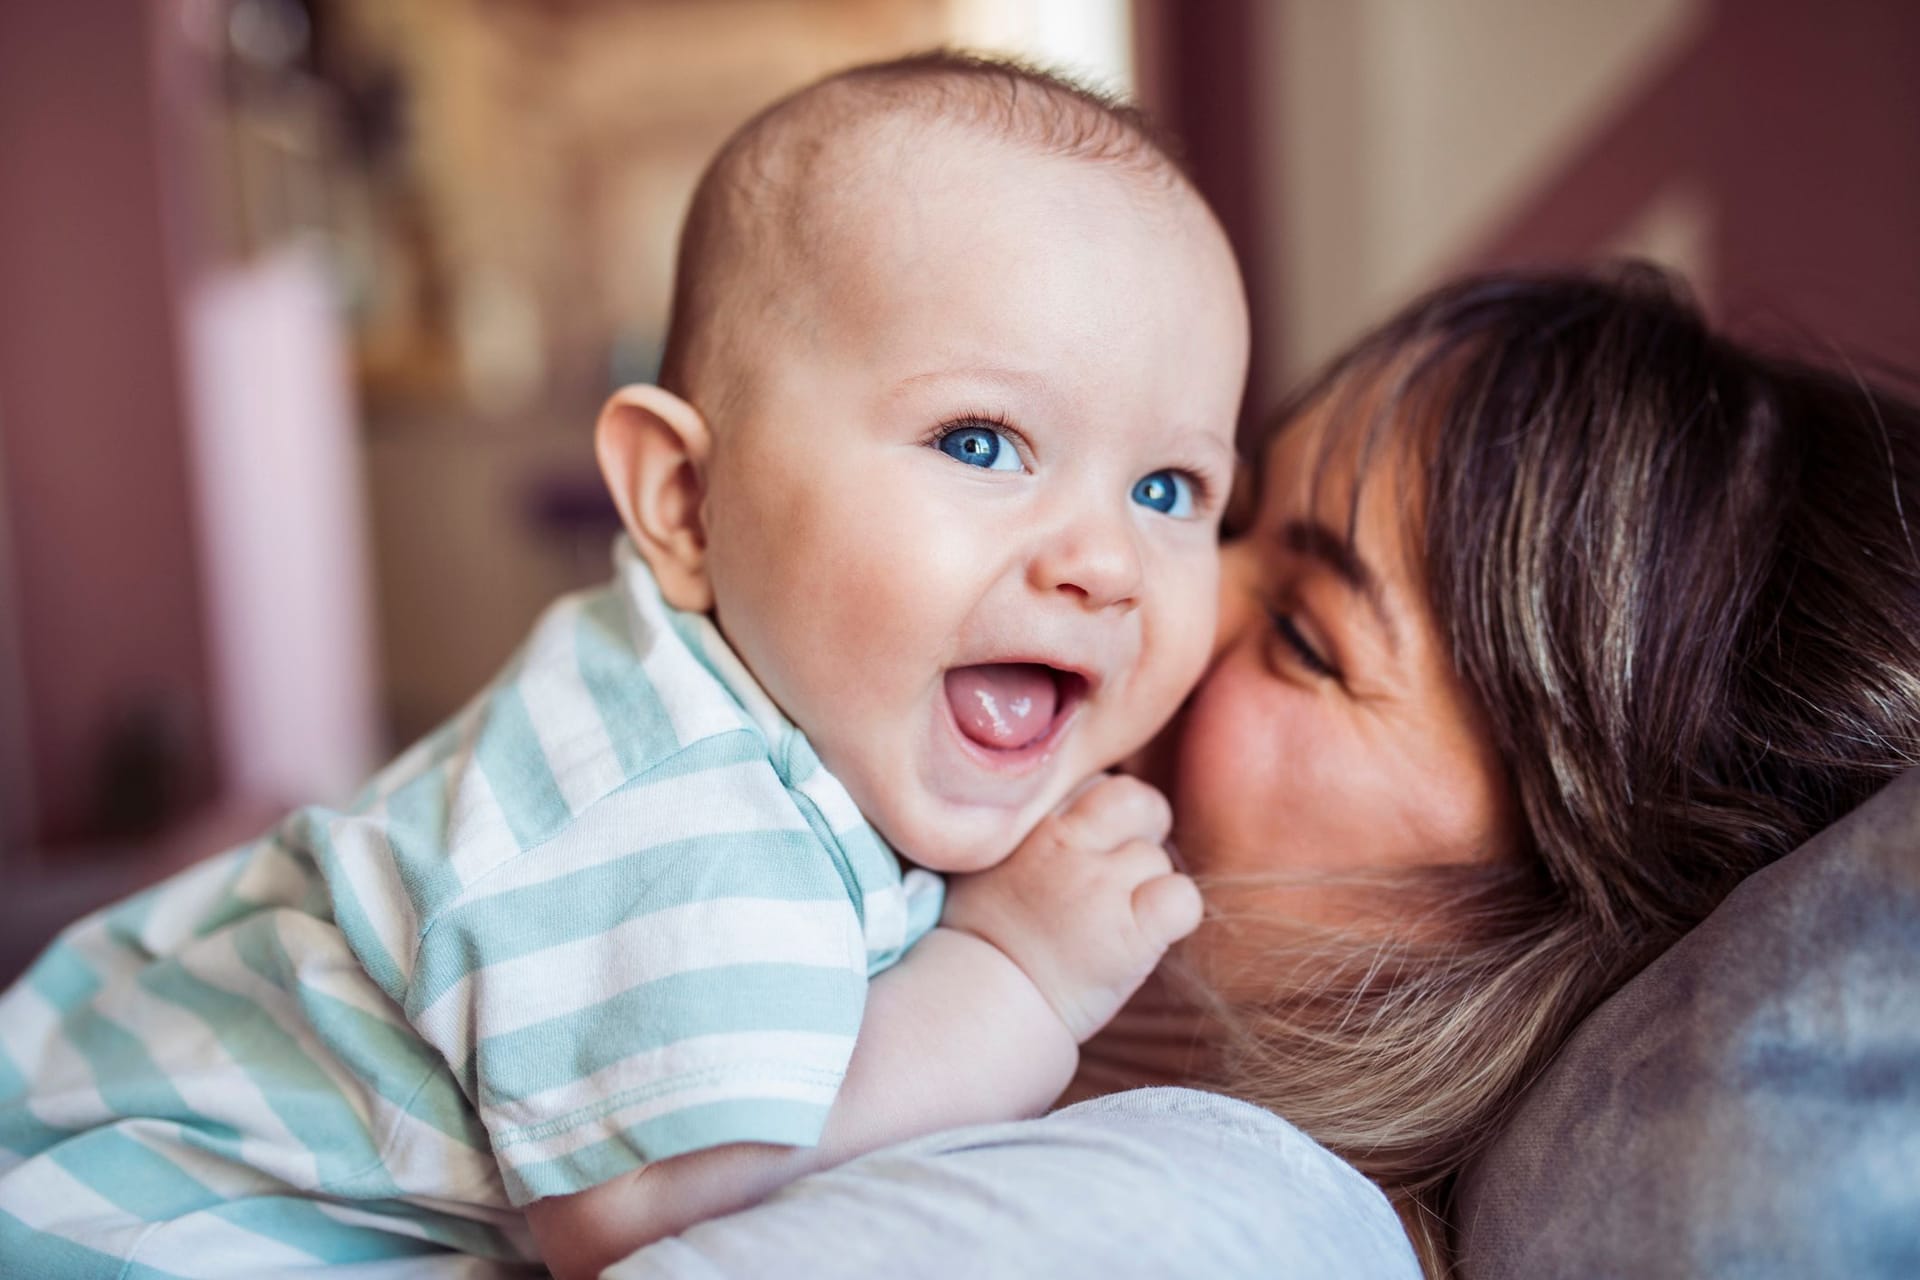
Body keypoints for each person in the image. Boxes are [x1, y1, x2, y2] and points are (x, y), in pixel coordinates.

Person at [0, 53, 1248, 1278]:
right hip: (120, 1223)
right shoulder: (673, 788)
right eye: (981, 441)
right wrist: (1013, 974)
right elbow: (664, 1208)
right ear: (686, 498)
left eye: (1166, 486)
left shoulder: (816, 710)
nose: (1106, 559)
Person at [603, 261, 1920, 1278]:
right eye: (1214, 515)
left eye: (1303, 634)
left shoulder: (1196, 1226)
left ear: (1576, 902)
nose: (1157, 612)